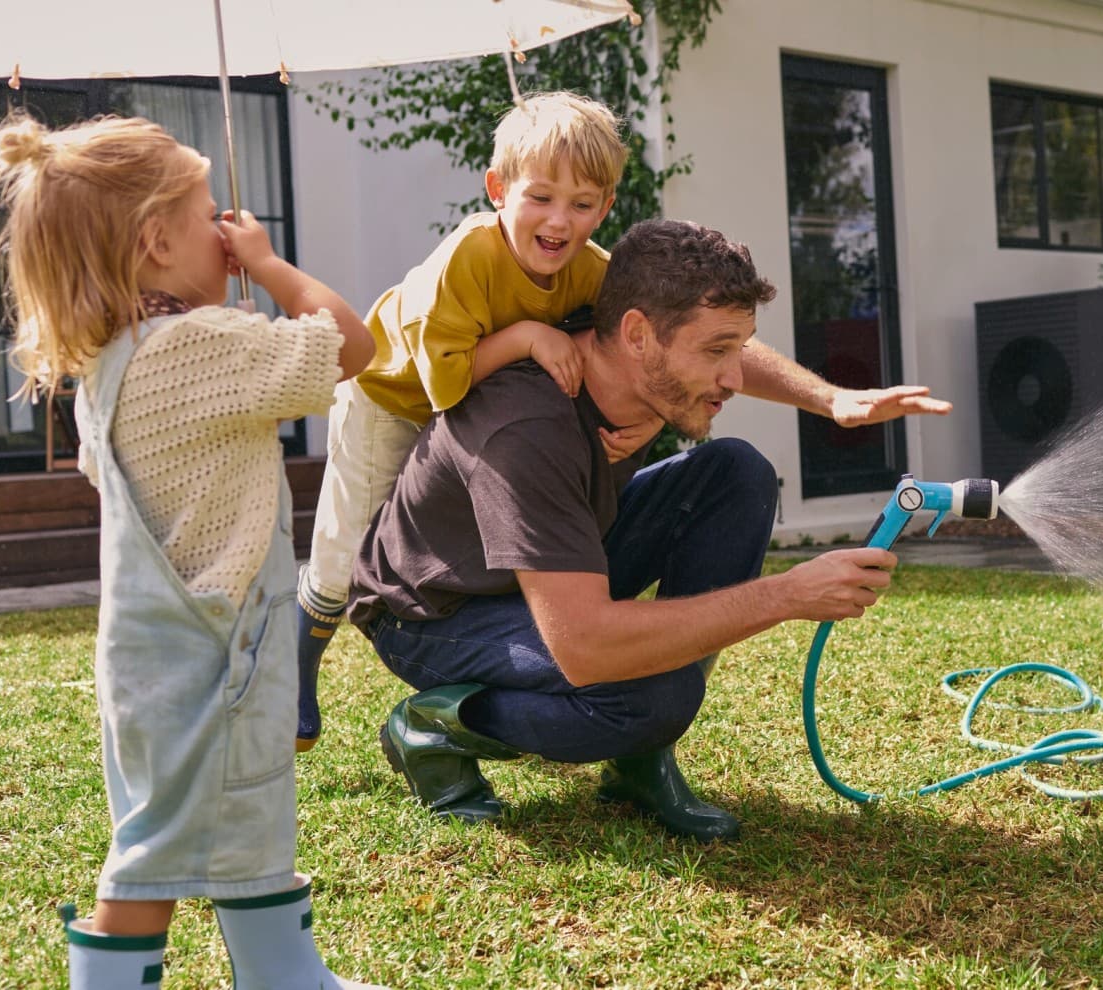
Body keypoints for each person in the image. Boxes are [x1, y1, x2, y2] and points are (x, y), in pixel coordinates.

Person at [351, 218, 950, 841]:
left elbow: (719, 338)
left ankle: (639, 760)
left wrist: (830, 400)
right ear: (637, 335)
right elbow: (584, 647)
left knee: (736, 474)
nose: (733, 378)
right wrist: (786, 595)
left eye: (736, 348)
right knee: (651, 697)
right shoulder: (526, 424)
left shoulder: (615, 341)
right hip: (436, 612)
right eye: (715, 352)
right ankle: (431, 724)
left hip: (546, 557)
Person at [0, 113, 385, 989]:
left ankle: (283, 971)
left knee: (232, 812)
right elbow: (354, 345)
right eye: (210, 220)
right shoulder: (204, 345)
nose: (228, 237)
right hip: (220, 646)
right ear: (157, 241)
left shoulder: (112, 364)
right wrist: (269, 268)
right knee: (161, 852)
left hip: (148, 653)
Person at [292, 91, 635, 753]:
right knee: (348, 550)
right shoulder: (467, 258)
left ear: (607, 206)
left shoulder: (594, 271)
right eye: (540, 196)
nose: (560, 221)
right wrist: (529, 336)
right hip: (395, 397)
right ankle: (300, 652)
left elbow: (636, 342)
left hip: (472, 425)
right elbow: (444, 385)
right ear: (497, 188)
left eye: (583, 203)